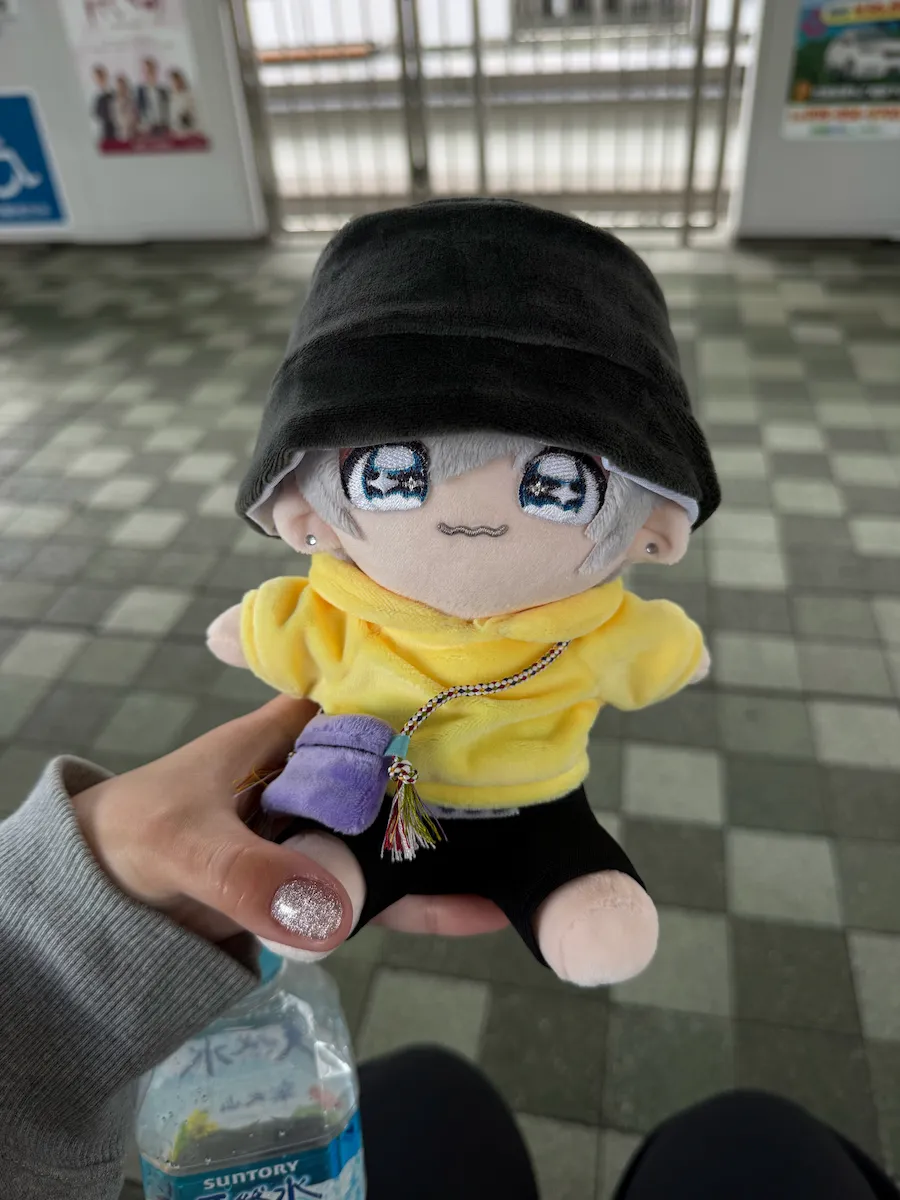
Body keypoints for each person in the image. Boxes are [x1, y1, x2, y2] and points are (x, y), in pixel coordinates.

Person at [1, 698, 897, 1199]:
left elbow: (644, 646)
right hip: (383, 798)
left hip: (534, 797)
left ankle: (570, 893)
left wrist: (63, 929)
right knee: (755, 1144)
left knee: (431, 1093)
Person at [136, 56, 169, 136]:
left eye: (151, 69)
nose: (149, 73)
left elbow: (167, 108)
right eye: (146, 70)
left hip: (162, 126)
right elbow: (138, 109)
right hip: (147, 128)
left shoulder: (163, 89)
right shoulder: (140, 90)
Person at [90, 64, 115, 143]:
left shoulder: (113, 92)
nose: (99, 80)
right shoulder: (96, 95)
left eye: (101, 76)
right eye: (97, 78)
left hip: (115, 127)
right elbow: (94, 113)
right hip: (103, 128)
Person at [168, 67, 198, 133]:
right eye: (174, 82)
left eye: (178, 81)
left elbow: (193, 112)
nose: (177, 84)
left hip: (190, 129)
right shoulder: (172, 98)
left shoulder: (190, 95)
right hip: (177, 131)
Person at [112, 73, 138, 144]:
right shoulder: (114, 102)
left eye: (123, 86)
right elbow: (115, 119)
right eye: (119, 86)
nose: (121, 88)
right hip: (120, 134)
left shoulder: (131, 101)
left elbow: (135, 116)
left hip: (133, 133)